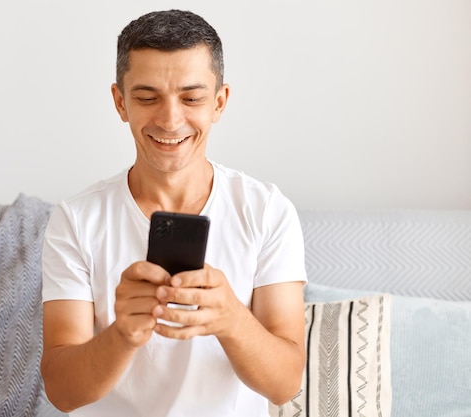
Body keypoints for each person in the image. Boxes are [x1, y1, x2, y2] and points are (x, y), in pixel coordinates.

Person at [41, 9, 307, 417]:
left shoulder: (267, 211)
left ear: (219, 102)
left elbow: (285, 384)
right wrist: (123, 334)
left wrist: (232, 319)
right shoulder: (77, 220)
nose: (170, 119)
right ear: (120, 102)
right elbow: (62, 391)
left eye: (192, 97)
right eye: (147, 97)